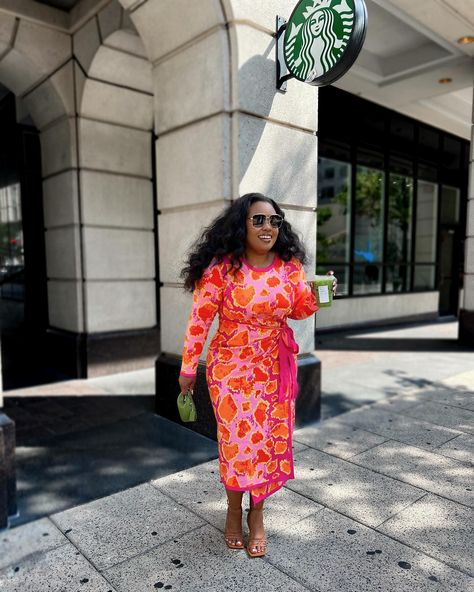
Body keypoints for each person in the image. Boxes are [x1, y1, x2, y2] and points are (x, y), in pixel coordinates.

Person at [178, 193, 336, 558]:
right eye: (259, 220)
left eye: (274, 221)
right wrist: (188, 368)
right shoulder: (221, 269)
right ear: (241, 225)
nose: (268, 228)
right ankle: (234, 511)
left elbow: (297, 310)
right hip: (231, 371)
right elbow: (199, 321)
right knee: (236, 446)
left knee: (265, 446)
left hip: (273, 371)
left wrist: (318, 296)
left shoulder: (288, 266)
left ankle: (258, 515)